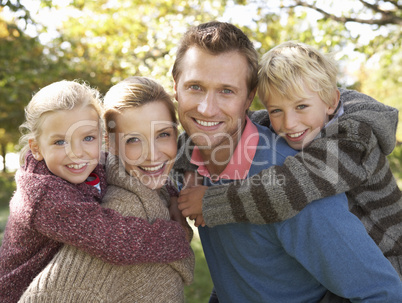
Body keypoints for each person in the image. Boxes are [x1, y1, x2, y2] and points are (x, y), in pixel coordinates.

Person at [171, 21, 402, 302]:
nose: (207, 108)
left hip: (390, 252)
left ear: (248, 98)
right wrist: (178, 189)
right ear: (175, 88)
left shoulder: (310, 176)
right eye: (195, 86)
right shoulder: (208, 147)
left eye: (226, 91)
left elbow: (383, 293)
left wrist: (211, 201)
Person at [0, 80, 192, 303]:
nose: (77, 152)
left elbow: (142, 171)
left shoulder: (92, 162)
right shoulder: (43, 197)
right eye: (60, 141)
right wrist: (176, 236)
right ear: (36, 148)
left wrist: (173, 196)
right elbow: (112, 238)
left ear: (101, 138)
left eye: (88, 138)